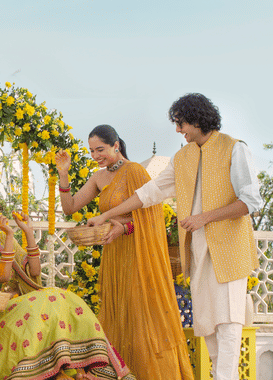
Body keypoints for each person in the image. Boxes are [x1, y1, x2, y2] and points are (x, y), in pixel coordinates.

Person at [88, 94, 262, 380]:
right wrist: (106, 216)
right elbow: (148, 194)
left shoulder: (235, 148)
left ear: (195, 119)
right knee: (207, 324)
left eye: (180, 123)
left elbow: (251, 202)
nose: (178, 130)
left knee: (229, 323)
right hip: (197, 250)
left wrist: (204, 217)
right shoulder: (184, 157)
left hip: (229, 249)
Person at [55, 124, 194, 380]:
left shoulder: (135, 172)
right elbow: (70, 207)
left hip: (138, 255)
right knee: (117, 314)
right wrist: (63, 174)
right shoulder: (99, 177)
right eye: (92, 151)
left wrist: (123, 227)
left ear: (115, 145)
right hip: (114, 255)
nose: (96, 156)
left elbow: (150, 216)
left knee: (141, 316)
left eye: (101, 149)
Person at [0, 212, 135, 380]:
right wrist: (10, 235)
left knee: (61, 296)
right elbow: (2, 276)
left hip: (21, 305)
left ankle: (86, 367)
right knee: (44, 300)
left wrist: (28, 232)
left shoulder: (0, 241)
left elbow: (34, 270)